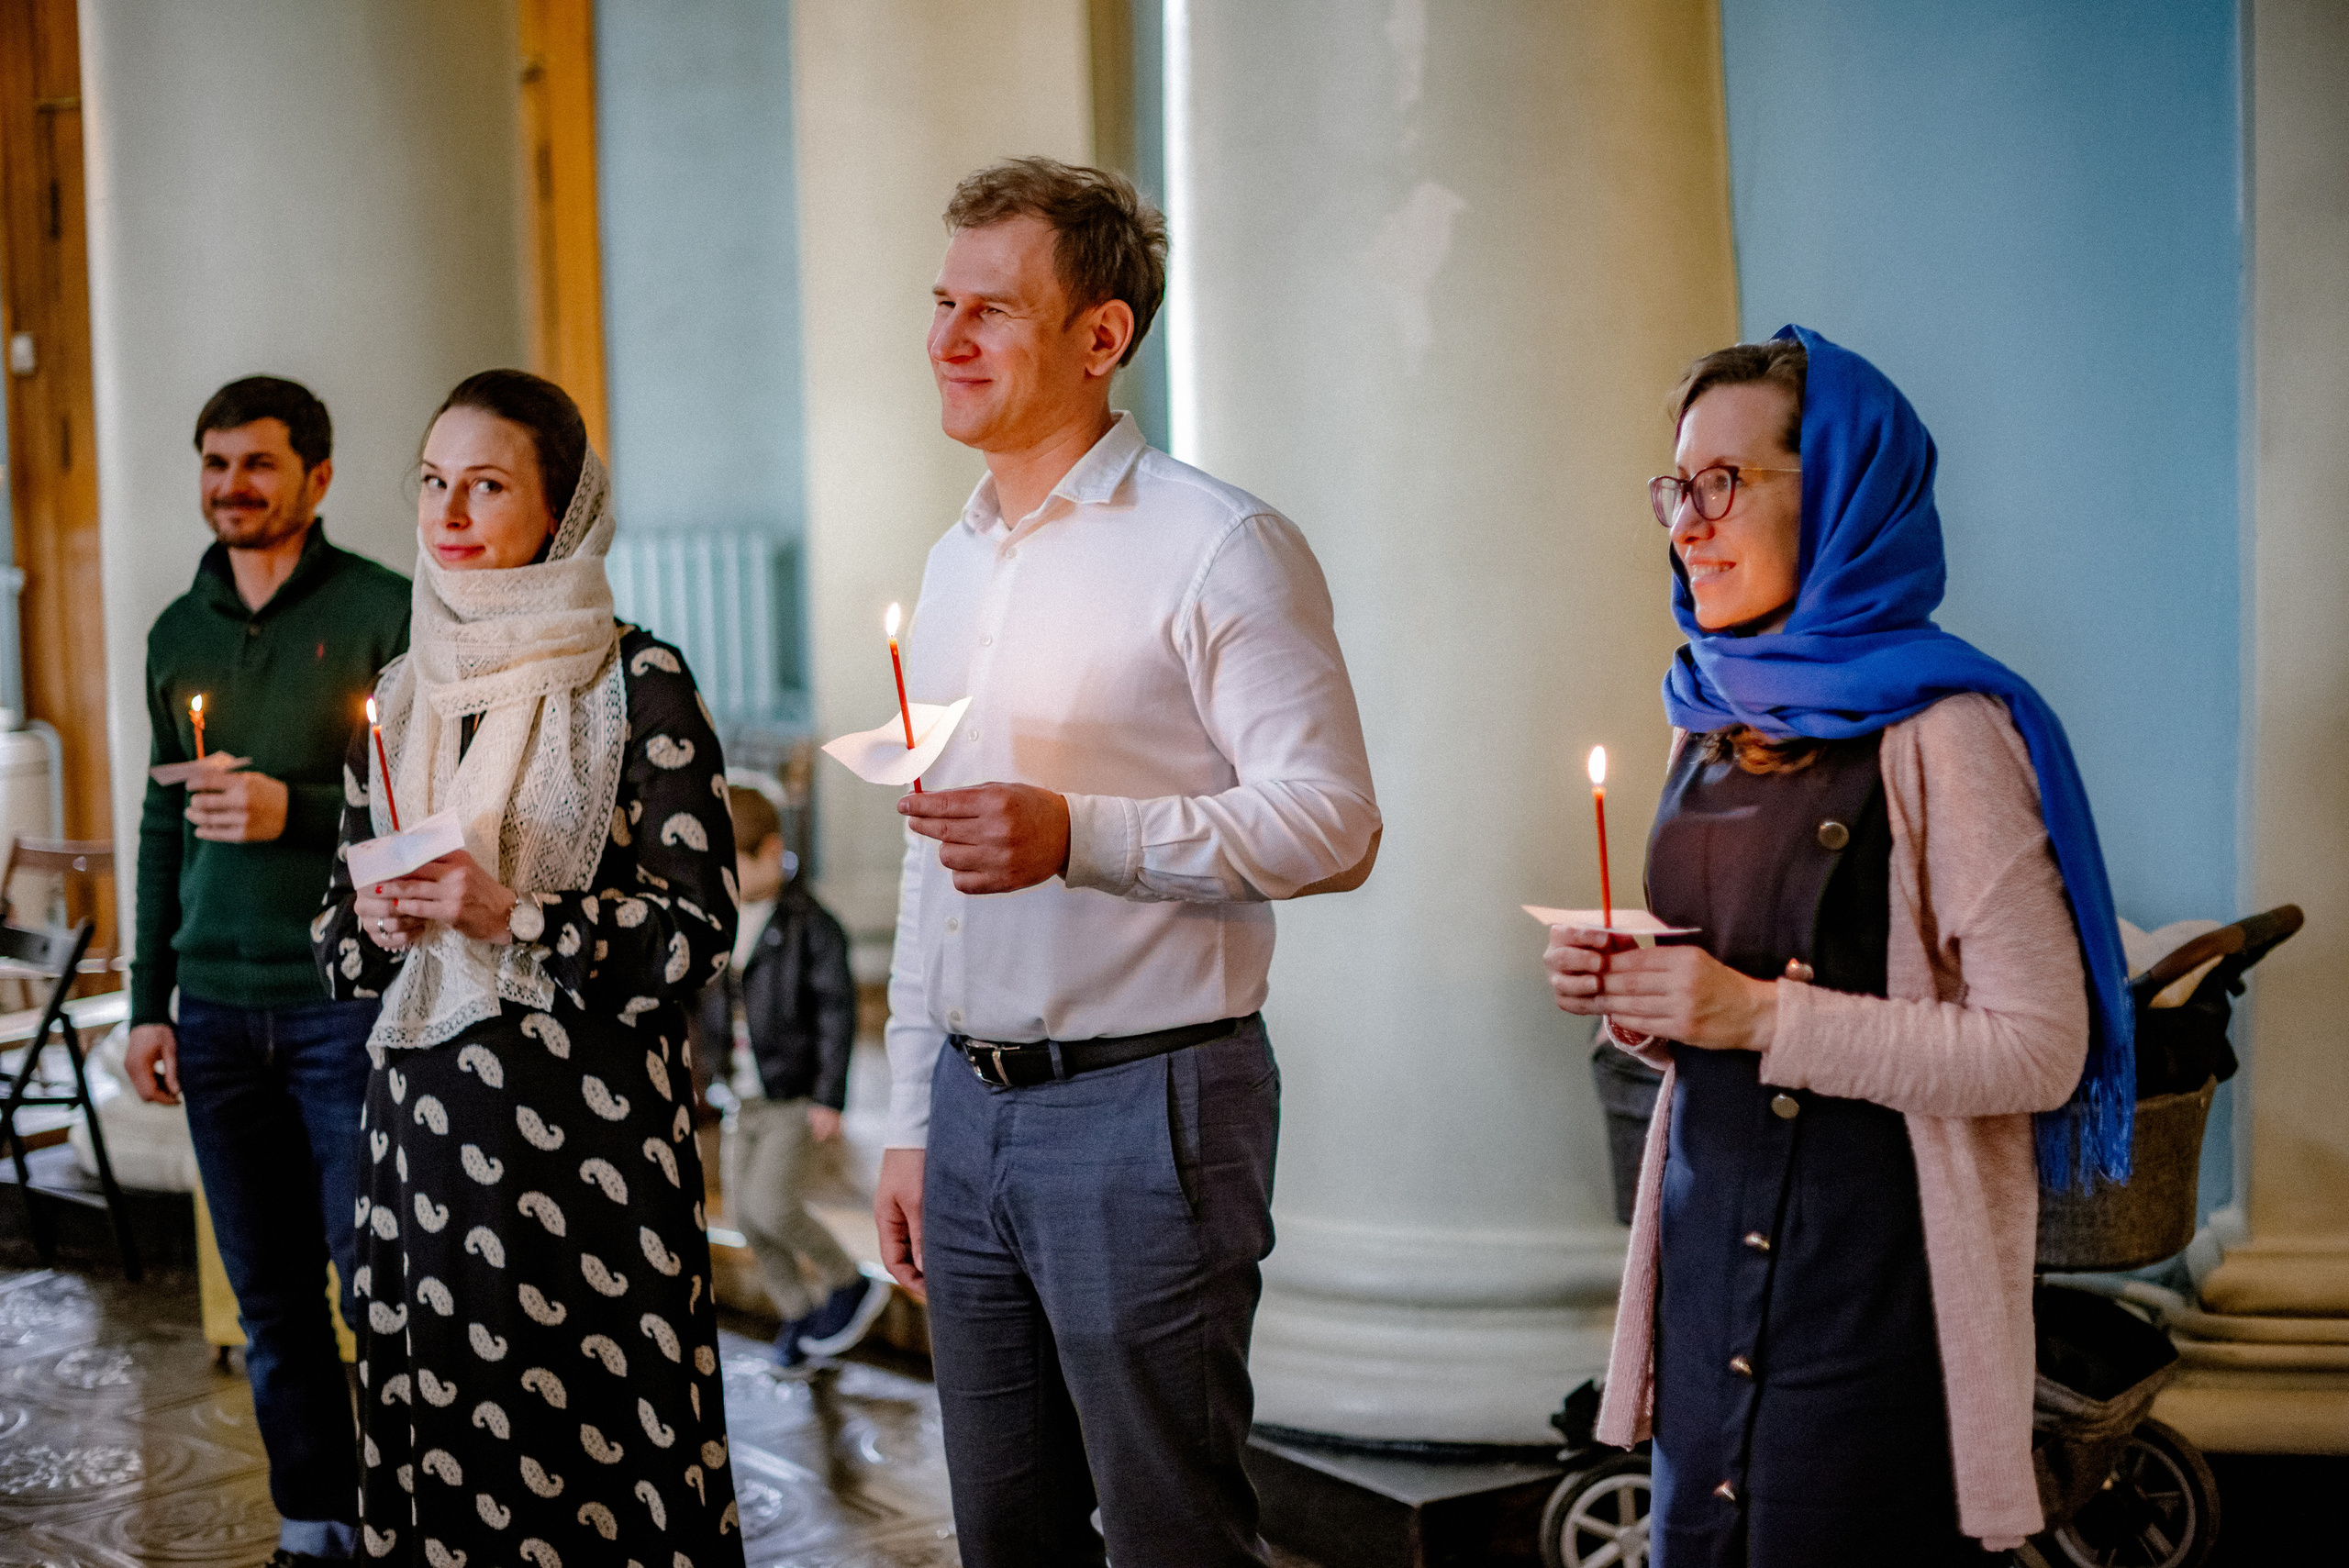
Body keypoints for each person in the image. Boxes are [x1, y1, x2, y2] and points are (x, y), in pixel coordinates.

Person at [1544, 328, 2134, 1562]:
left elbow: (2042, 1049)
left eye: (1725, 483)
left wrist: (1754, 1016)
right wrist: (1648, 1003)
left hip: (1873, 1291)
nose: (1686, 524)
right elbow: (1721, 1000)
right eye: (1674, 488)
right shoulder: (1707, 713)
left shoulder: (1950, 732)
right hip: (1709, 1266)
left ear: (1849, 494)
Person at [875, 158, 1381, 1568]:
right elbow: (936, 855)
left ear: (1101, 338)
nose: (947, 339)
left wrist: (1082, 836)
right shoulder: (959, 556)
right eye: (941, 303)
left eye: (993, 310)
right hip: (972, 1112)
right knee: (1006, 1530)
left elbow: (1334, 820)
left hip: (1148, 1101)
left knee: (1171, 1529)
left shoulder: (1219, 544)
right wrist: (915, 1114)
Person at [312, 370, 744, 1566]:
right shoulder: (402, 698)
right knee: (454, 1437)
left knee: (598, 1453)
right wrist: (385, 921)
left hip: (590, 1148)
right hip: (428, 1140)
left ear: (558, 512)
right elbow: (336, 943)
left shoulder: (637, 682)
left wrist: (518, 913)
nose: (448, 510)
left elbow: (697, 932)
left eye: (486, 484)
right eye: (435, 482)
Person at [126, 375, 411, 1568]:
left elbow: (417, 814)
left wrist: (289, 810)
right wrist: (149, 1002)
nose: (230, 487)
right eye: (214, 463)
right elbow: (160, 828)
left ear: (319, 478)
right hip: (215, 1012)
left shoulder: (384, 612)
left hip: (343, 1004)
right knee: (273, 1300)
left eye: (256, 464)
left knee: (379, 1287)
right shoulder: (176, 631)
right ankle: (316, 1523)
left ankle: (409, 1514)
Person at [693, 781, 887, 1367]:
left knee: (773, 1206)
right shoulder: (725, 919)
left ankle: (847, 1282)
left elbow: (837, 1012)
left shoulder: (809, 923)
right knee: (747, 1216)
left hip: (790, 1094)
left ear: (771, 852)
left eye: (736, 865)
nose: (726, 878)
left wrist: (830, 1096)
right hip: (742, 1094)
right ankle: (801, 1315)